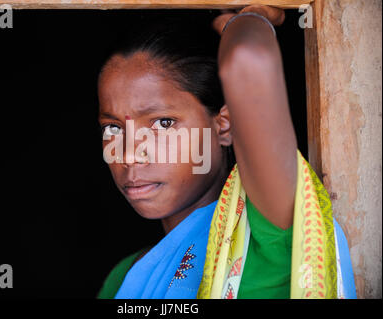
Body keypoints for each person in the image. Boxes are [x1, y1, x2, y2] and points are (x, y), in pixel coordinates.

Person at [96, 5, 356, 299]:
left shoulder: (267, 233)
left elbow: (246, 58)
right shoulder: (123, 278)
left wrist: (249, 18)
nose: (129, 154)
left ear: (224, 125)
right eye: (113, 128)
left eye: (163, 123)